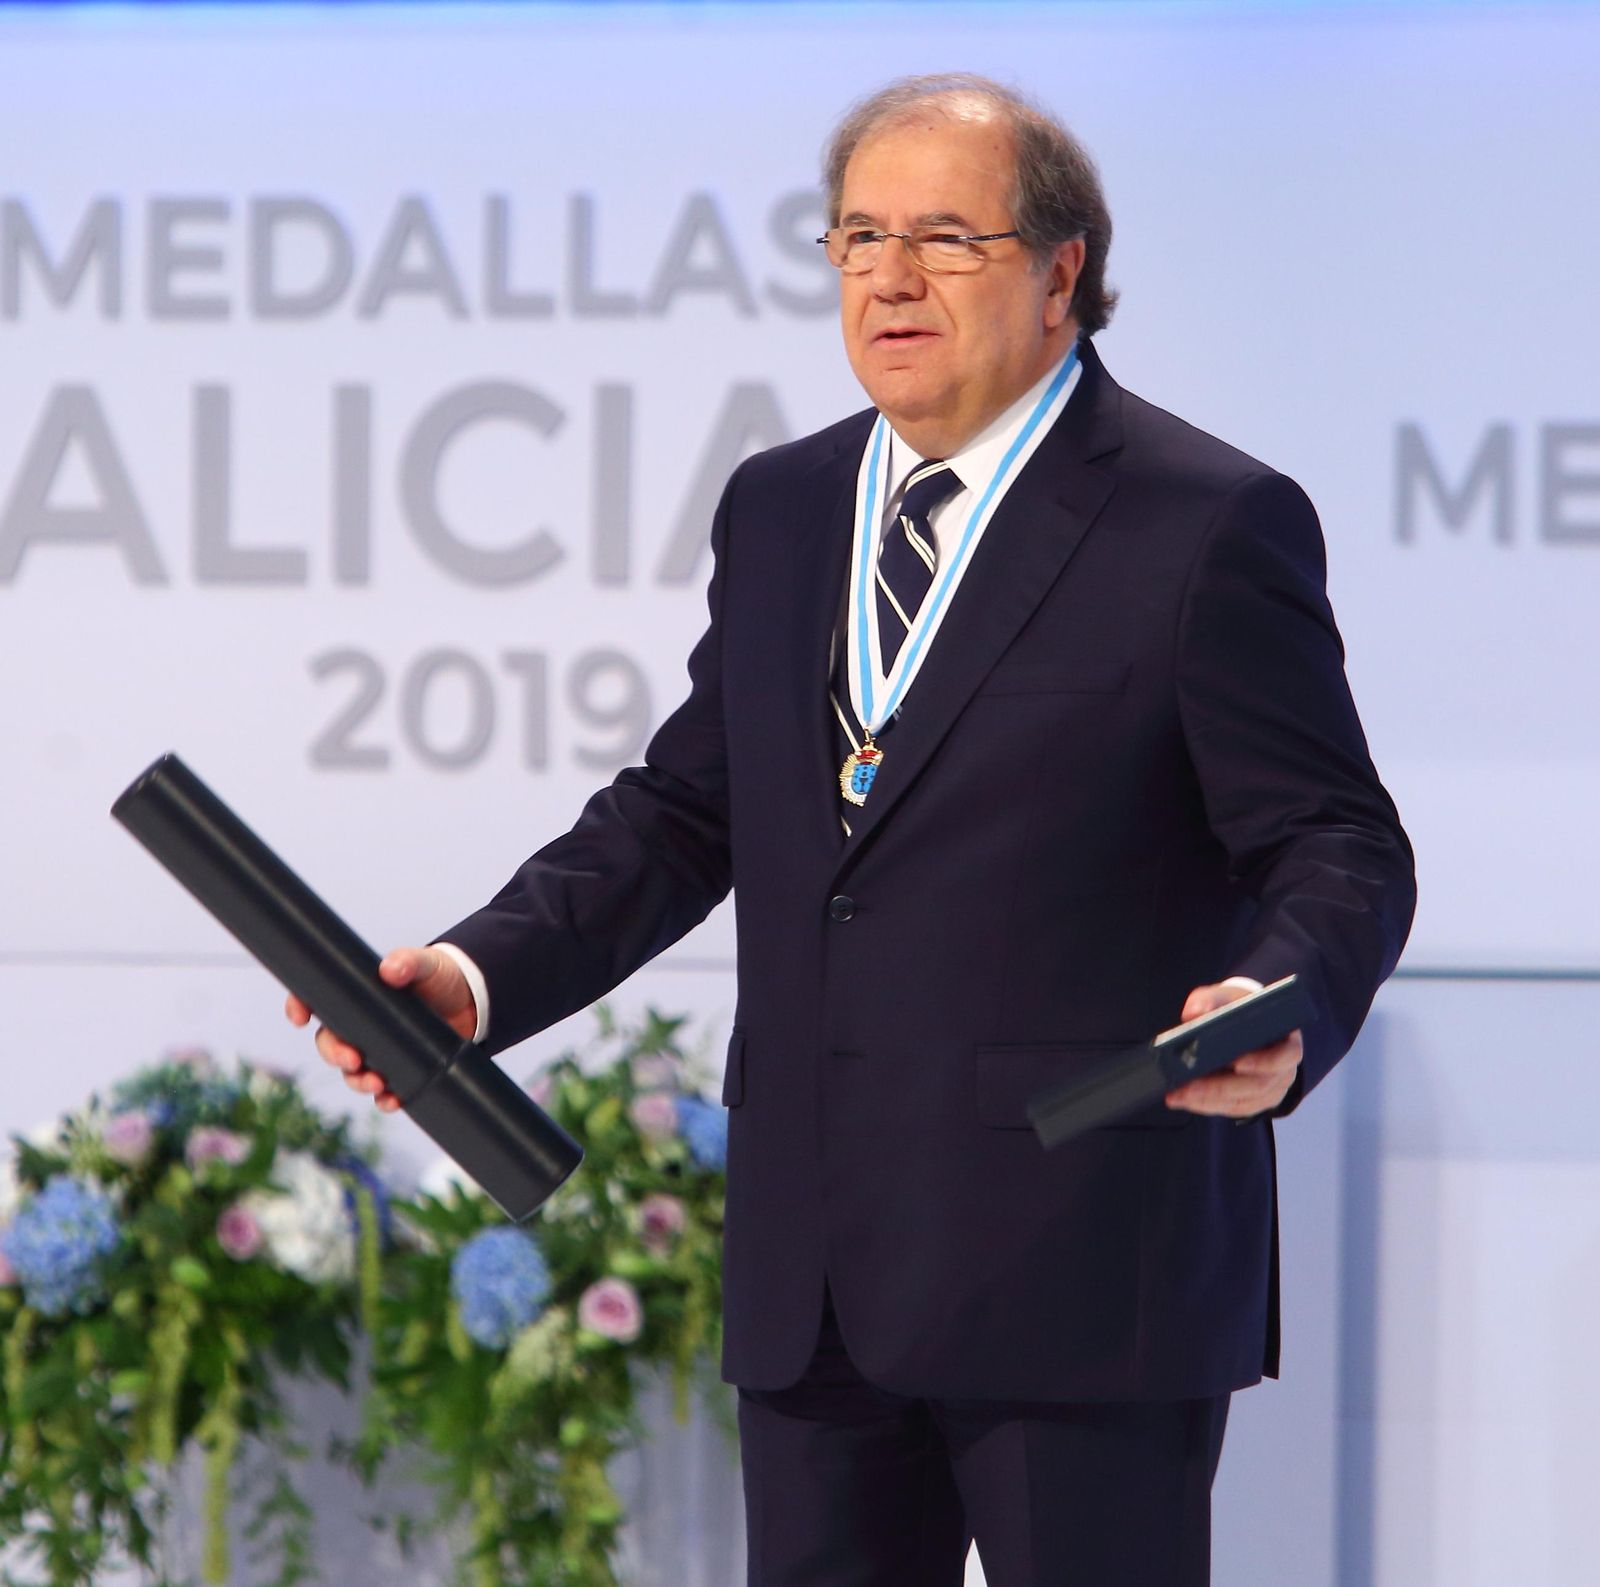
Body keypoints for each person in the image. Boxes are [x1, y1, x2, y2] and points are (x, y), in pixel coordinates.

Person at [290, 74, 1414, 1587]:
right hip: (816, 1278)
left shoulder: (1202, 519)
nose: (887, 276)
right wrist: (477, 979)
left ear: (1059, 268)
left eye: (944, 238)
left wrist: (1283, 999)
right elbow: (690, 810)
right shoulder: (785, 505)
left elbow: (1338, 842)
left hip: (1080, 1264)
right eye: (858, 237)